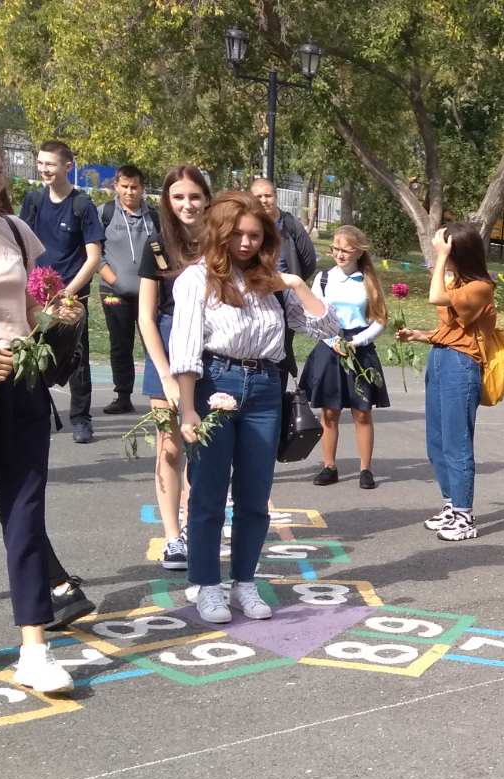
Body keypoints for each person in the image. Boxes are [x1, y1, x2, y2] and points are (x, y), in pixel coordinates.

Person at [0, 117, 83, 692]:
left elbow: (29, 309)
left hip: (21, 387)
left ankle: (34, 646)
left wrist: (57, 317)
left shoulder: (15, 230)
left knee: (26, 514)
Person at [167, 191, 337, 624]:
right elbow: (185, 347)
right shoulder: (196, 279)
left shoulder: (271, 281)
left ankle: (244, 581)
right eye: (238, 235)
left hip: (264, 386)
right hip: (214, 382)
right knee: (208, 493)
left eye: (255, 236)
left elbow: (327, 327)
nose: (246, 243)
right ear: (220, 234)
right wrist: (188, 410)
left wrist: (295, 284)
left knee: (255, 495)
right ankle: (207, 585)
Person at [395, 222, 495, 542]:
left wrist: (440, 257)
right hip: (440, 358)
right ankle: (451, 505)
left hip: (461, 366)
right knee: (436, 441)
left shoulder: (480, 287)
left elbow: (435, 297)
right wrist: (420, 335)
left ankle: (465, 517)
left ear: (457, 252)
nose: (438, 250)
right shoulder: (458, 282)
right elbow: (451, 329)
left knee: (457, 443)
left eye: (444, 246)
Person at [137, 164, 211, 572]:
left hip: (210, 347)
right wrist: (165, 374)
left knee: (206, 444)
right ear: (166, 200)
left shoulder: (221, 240)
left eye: (194, 196)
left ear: (207, 199)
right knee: (169, 446)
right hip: (166, 346)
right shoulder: (156, 245)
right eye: (178, 196)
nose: (187, 204)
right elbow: (146, 317)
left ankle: (200, 526)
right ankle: (172, 536)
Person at [18, 139, 103, 443]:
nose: (44, 169)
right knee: (32, 354)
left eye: (50, 164)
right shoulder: (33, 201)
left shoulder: (82, 205)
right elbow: (22, 248)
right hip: (36, 296)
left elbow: (93, 258)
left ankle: (81, 419)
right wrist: (30, 287)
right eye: (40, 163)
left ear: (68, 167)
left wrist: (68, 292)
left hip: (70, 295)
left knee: (76, 357)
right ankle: (34, 414)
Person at [300, 224, 390, 489]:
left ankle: (365, 469)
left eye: (346, 250)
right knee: (330, 412)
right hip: (329, 346)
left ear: (359, 252)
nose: (339, 254)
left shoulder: (368, 280)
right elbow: (313, 315)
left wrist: (356, 342)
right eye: (335, 249)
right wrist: (332, 341)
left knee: (362, 412)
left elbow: (380, 319)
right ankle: (329, 466)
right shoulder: (323, 278)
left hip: (359, 348)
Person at [96, 164, 159, 416]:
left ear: (142, 188)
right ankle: (123, 396)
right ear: (116, 186)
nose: (129, 192)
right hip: (114, 292)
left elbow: (162, 252)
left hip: (148, 293)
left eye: (134, 187)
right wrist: (114, 280)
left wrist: (158, 283)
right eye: (124, 186)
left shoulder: (155, 217)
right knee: (120, 345)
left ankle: (160, 396)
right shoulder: (105, 213)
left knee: (154, 344)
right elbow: (94, 253)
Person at [249, 177, 317, 393]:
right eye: (258, 196)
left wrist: (291, 283)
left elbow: (309, 260)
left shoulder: (290, 224)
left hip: (283, 296)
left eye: (268, 195)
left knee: (281, 349)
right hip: (253, 295)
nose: (264, 200)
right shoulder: (247, 223)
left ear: (276, 197)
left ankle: (277, 394)